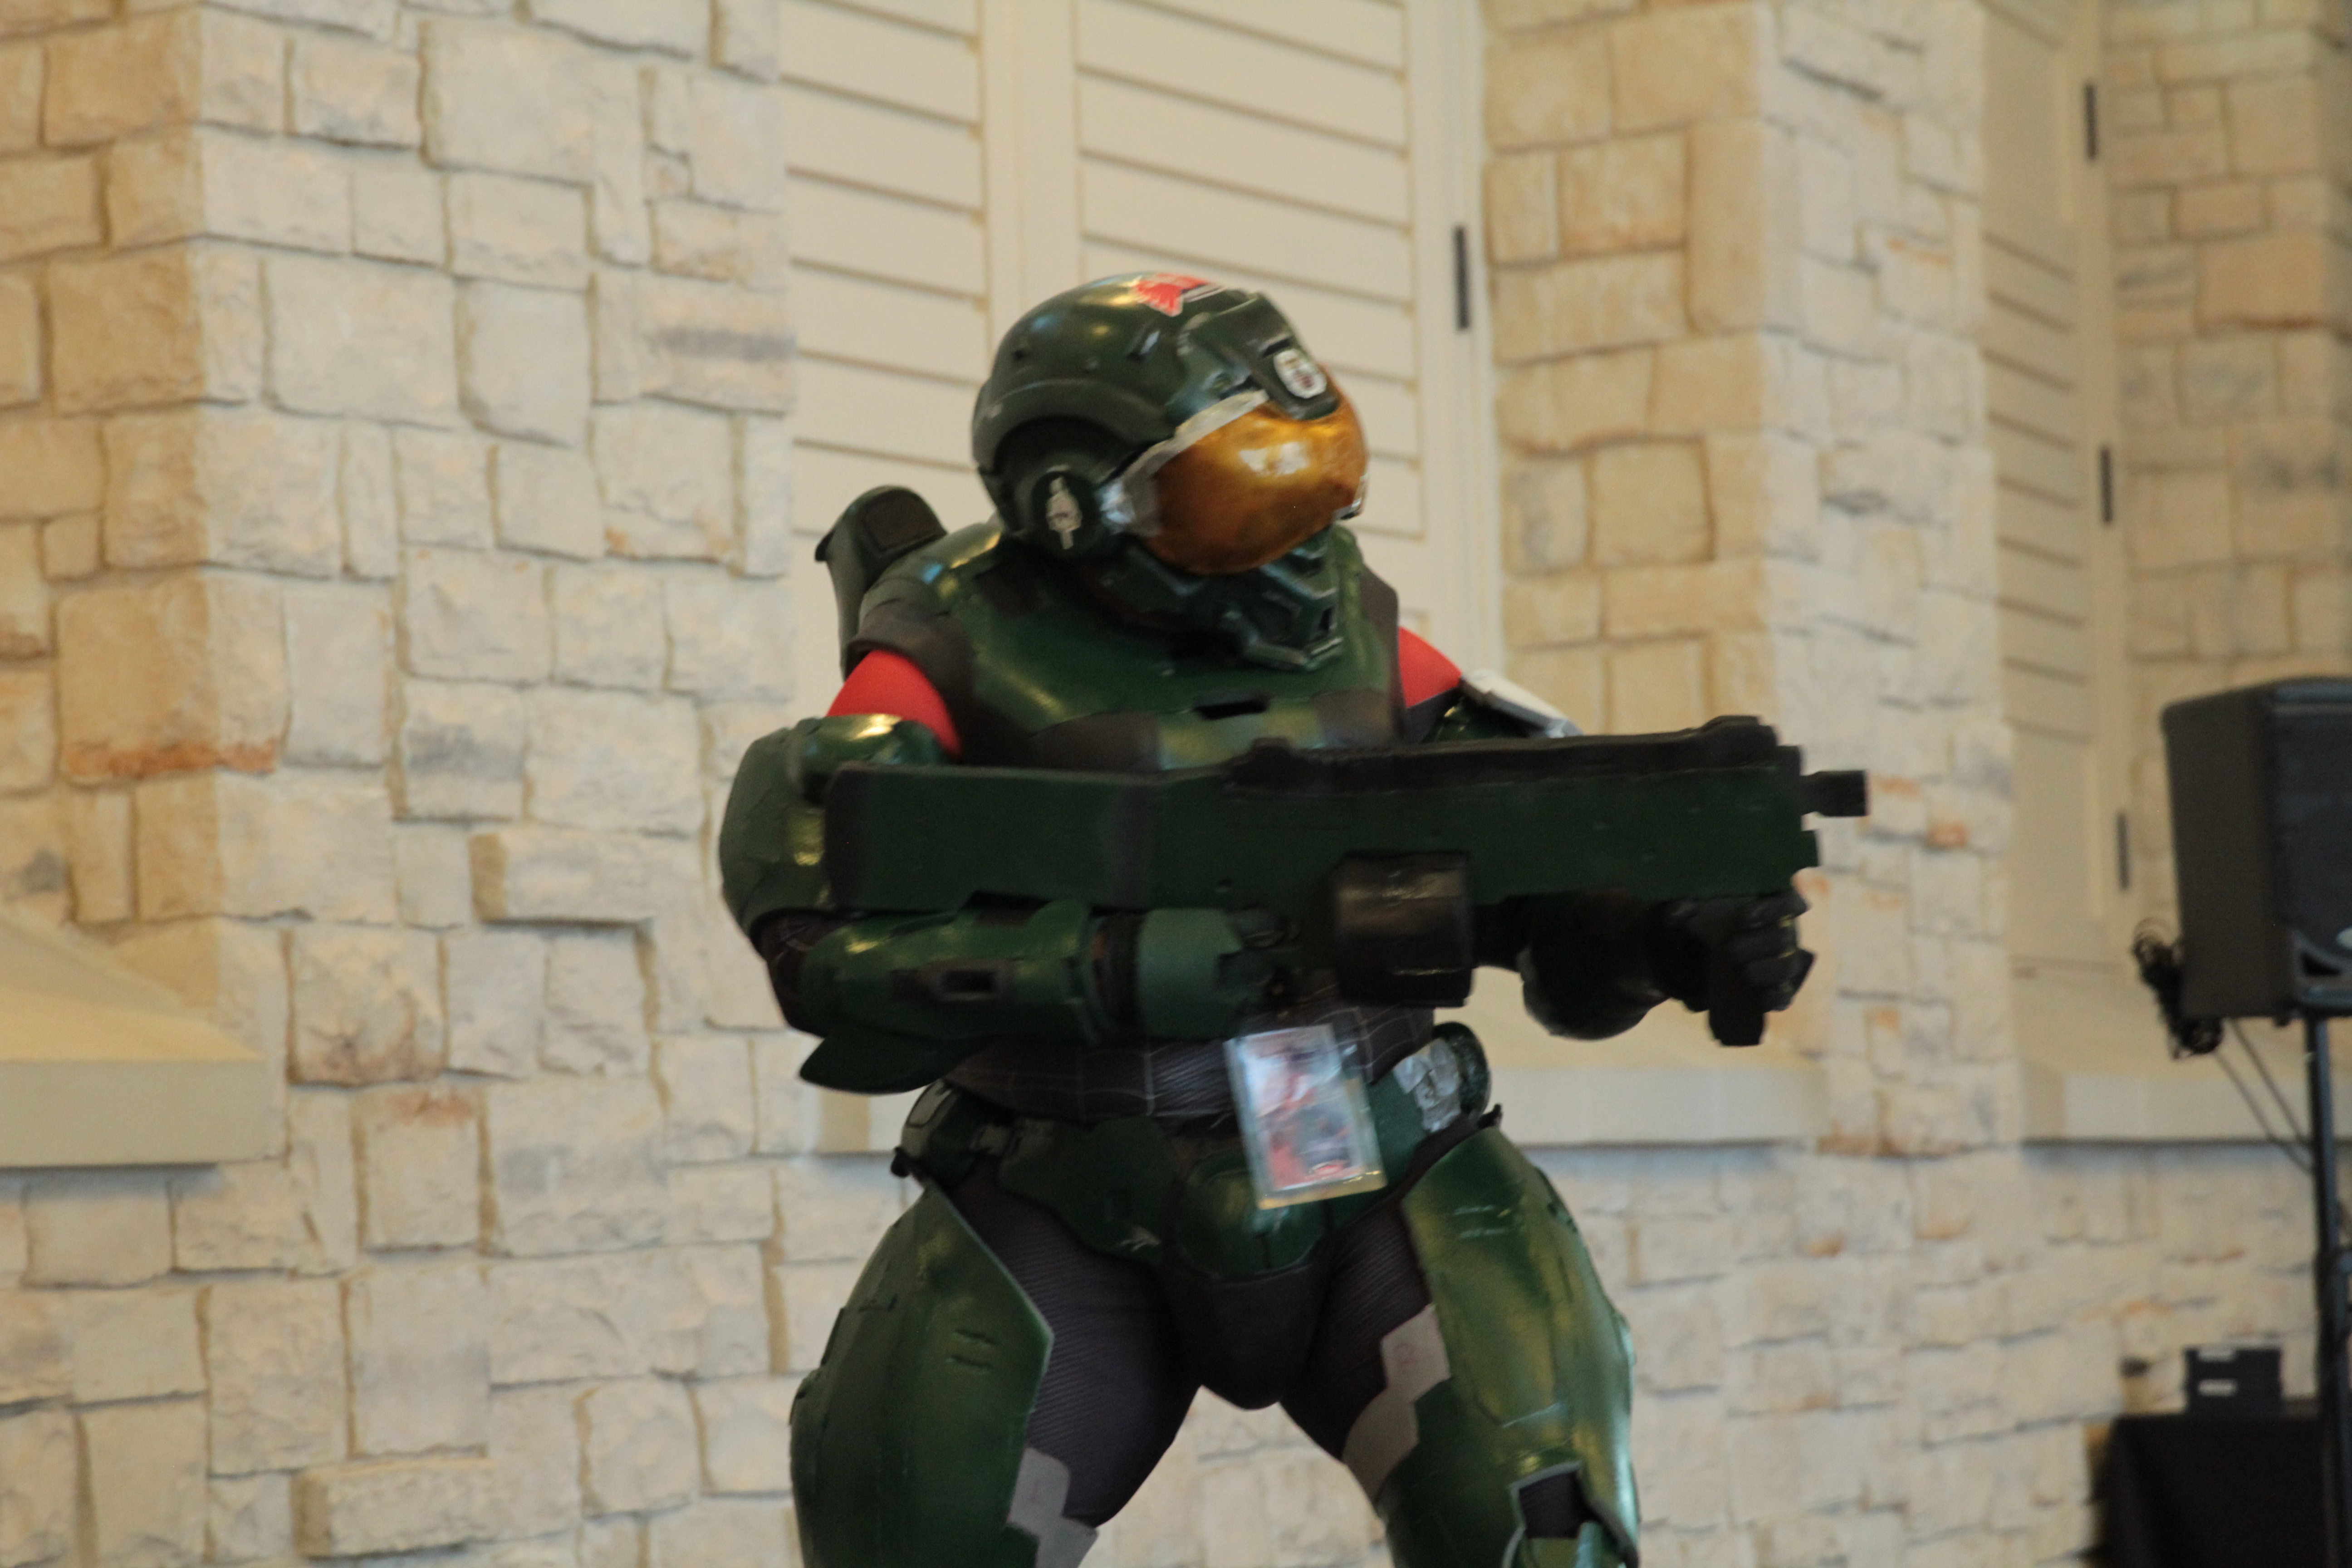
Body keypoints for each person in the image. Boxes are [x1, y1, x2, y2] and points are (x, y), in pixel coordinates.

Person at [718, 274, 1813, 1568]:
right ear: (1078, 503)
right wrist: (1099, 970)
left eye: (1313, 477)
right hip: (1067, 1182)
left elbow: (1524, 879)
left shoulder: (1357, 631)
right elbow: (826, 948)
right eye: (1242, 493)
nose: (1300, 536)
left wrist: (1662, 936)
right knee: (914, 1533)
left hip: (1375, 1151)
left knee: (1543, 1530)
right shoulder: (947, 642)